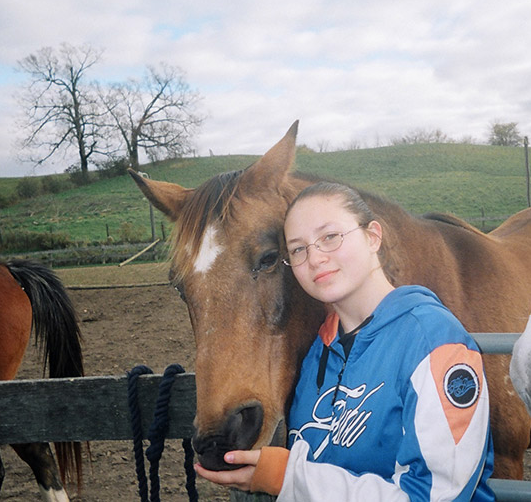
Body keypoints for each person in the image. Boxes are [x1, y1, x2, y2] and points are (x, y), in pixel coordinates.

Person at [196, 181, 494, 501]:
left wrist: (289, 479)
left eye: (330, 237)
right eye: (298, 249)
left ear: (372, 237)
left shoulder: (434, 343)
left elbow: (436, 496)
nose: (315, 258)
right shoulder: (317, 354)